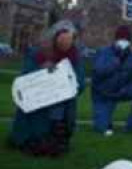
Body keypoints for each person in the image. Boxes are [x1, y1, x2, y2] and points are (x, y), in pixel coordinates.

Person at [8, 20, 86, 157]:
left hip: (61, 109)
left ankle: (54, 143)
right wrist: (41, 70)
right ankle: (30, 141)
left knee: (55, 142)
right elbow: (25, 79)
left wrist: (65, 78)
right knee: (34, 137)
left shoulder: (74, 57)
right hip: (37, 105)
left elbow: (80, 84)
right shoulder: (37, 54)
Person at [91, 25, 132, 135]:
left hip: (122, 90)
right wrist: (117, 61)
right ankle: (105, 121)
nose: (124, 42)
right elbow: (99, 72)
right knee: (101, 128)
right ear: (115, 40)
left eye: (126, 40)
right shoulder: (103, 52)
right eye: (121, 39)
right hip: (104, 94)